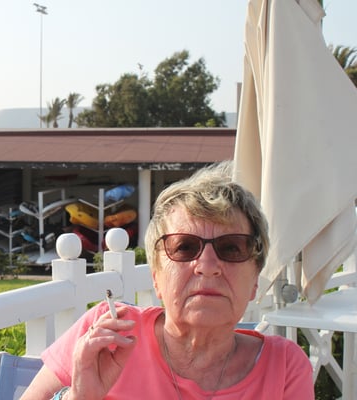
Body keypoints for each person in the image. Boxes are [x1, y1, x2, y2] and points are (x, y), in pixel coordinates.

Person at [21, 161, 314, 399]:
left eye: (231, 248)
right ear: (156, 276)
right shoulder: (106, 334)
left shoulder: (283, 366)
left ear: (255, 281)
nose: (207, 267)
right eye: (184, 247)